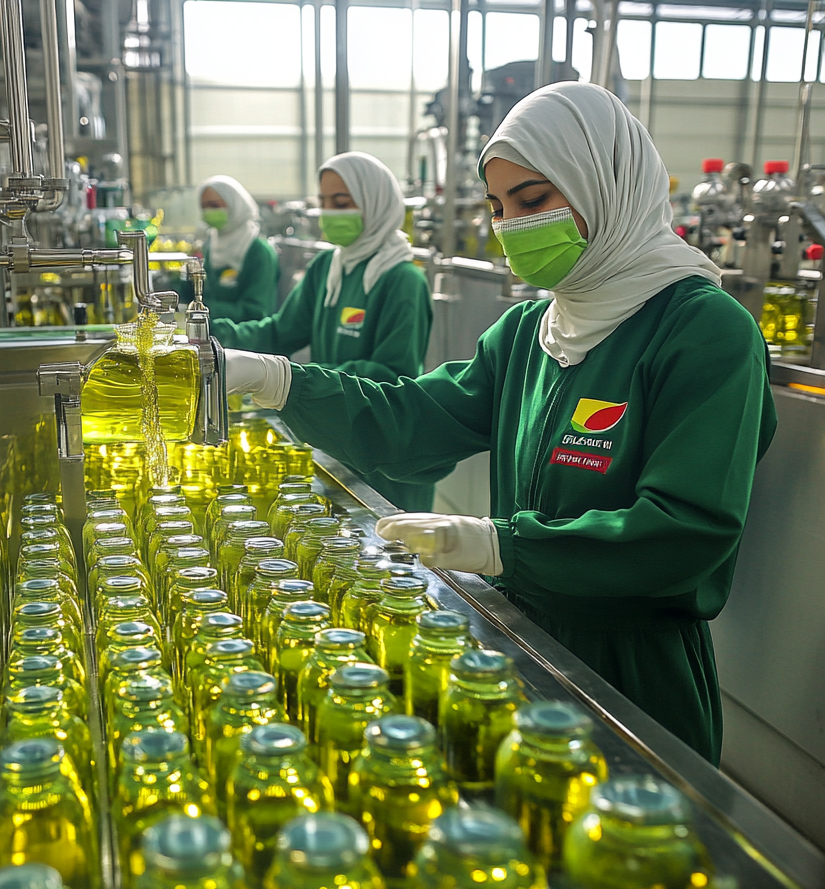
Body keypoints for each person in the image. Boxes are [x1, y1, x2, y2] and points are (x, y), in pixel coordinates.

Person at [222, 82, 777, 765]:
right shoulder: (528, 331)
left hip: (633, 677)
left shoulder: (702, 330)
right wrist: (275, 379)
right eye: (497, 207)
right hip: (523, 646)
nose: (511, 224)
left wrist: (496, 545)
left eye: (534, 200)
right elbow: (414, 419)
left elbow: (686, 531)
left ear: (604, 180)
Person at [216, 151, 434, 512]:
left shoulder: (402, 280)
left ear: (373, 202)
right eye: (324, 202)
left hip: (382, 456)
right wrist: (214, 337)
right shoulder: (327, 268)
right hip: (333, 435)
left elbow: (393, 376)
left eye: (342, 202)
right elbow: (279, 332)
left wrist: (298, 381)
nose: (329, 213)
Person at [179, 175, 279, 323]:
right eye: (204, 206)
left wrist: (205, 310)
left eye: (214, 206)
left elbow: (256, 311)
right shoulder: (211, 245)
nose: (208, 212)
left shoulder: (258, 251)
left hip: (247, 340)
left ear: (235, 204)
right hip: (213, 333)